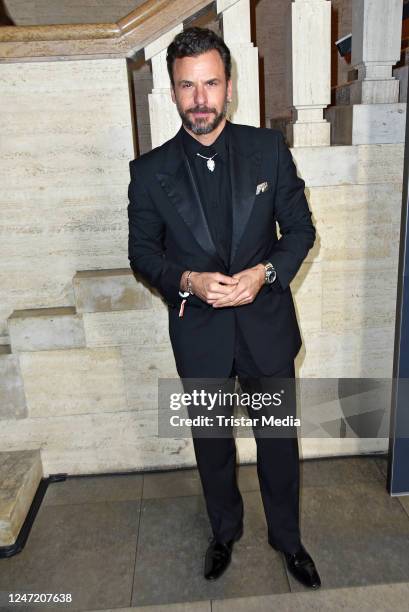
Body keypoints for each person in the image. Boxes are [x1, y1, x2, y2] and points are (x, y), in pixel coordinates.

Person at [128, 26, 321, 589]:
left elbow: (301, 231)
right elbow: (142, 252)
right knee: (212, 449)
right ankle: (223, 533)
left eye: (210, 83)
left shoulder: (268, 150)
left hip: (266, 329)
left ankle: (288, 540)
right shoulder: (150, 172)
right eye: (187, 86)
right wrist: (186, 278)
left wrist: (265, 274)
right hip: (200, 333)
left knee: (279, 445)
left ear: (229, 87)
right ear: (172, 92)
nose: (200, 99)